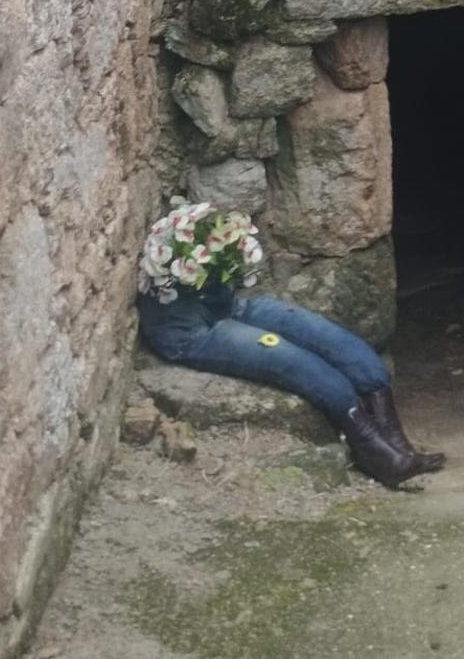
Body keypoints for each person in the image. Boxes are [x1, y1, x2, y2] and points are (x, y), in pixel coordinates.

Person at [137, 203, 445, 488]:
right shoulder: (170, 258)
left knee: (337, 343)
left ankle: (397, 446)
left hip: (222, 304)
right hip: (186, 330)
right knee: (295, 362)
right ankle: (375, 453)